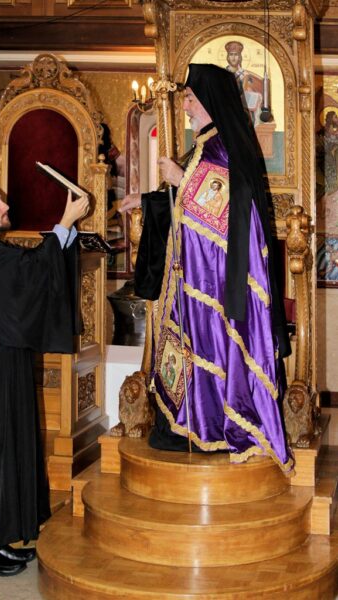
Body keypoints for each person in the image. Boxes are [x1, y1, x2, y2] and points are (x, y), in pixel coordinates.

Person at [120, 63, 292, 473]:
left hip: (214, 281)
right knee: (185, 347)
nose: (184, 106)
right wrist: (146, 201)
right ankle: (184, 422)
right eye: (184, 98)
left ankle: (212, 425)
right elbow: (185, 204)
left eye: (190, 99)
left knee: (210, 348)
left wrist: (182, 178)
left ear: (210, 101)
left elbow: (235, 209)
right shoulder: (203, 144)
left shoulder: (223, 146)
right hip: (190, 277)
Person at [0, 179, 89, 576]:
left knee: (11, 449)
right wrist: (64, 222)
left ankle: (2, 539)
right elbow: (26, 274)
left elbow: (28, 269)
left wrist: (65, 234)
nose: (6, 206)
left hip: (5, 358)